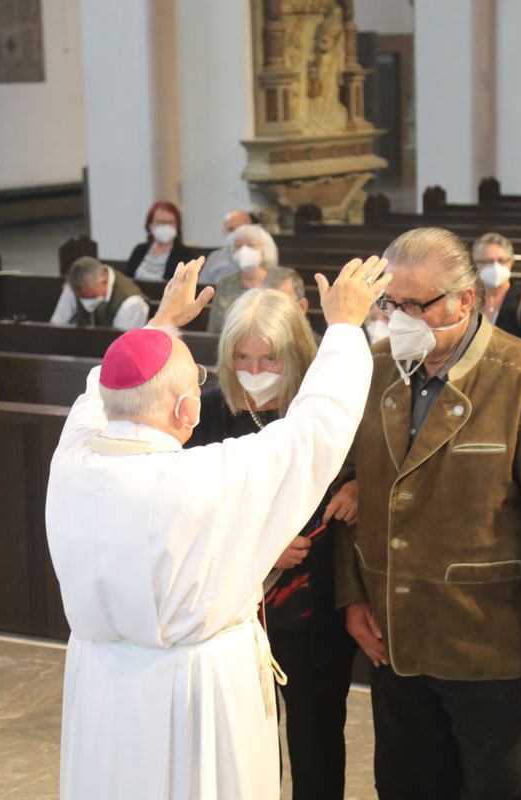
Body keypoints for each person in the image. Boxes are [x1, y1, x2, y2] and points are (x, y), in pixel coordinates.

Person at [46, 254, 391, 798]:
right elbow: (316, 428)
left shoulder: (71, 460)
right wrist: (346, 327)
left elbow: (99, 392)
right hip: (195, 688)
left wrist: (161, 324)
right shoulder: (208, 476)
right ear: (187, 411)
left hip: (102, 682)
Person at [336, 227, 521, 800]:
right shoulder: (375, 368)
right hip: (397, 637)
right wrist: (352, 596)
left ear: (464, 300)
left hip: (490, 646)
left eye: (416, 305)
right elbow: (347, 489)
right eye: (391, 304)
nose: (400, 318)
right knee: (406, 786)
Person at [187, 288, 356, 800]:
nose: (254, 369)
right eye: (242, 357)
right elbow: (189, 505)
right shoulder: (207, 412)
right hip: (234, 610)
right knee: (245, 741)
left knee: (316, 734)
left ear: (296, 355)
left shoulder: (320, 408)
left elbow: (367, 458)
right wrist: (260, 545)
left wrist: (359, 483)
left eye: (268, 358)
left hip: (315, 605)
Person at [472, 232, 521, 350]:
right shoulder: (470, 302)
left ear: (511, 262)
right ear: (477, 264)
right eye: (488, 261)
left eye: (502, 261)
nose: (495, 267)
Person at [207, 224, 279, 333]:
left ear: (264, 250)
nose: (244, 250)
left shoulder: (280, 282)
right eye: (238, 246)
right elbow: (215, 326)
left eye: (251, 245)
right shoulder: (225, 284)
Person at [49, 257, 149, 330]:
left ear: (103, 281)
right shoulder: (74, 285)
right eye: (81, 297)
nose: (85, 301)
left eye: (90, 296)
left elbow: (122, 345)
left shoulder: (132, 303)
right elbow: (57, 325)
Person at [121, 200, 195, 282]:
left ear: (177, 226)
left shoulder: (185, 254)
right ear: (150, 225)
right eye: (160, 222)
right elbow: (126, 279)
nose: (166, 227)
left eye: (170, 222)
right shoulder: (139, 250)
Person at [201, 210, 255, 285]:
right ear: (223, 231)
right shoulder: (214, 257)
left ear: (251, 229)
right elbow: (201, 286)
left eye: (240, 228)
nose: (236, 233)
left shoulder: (260, 254)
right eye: (230, 229)